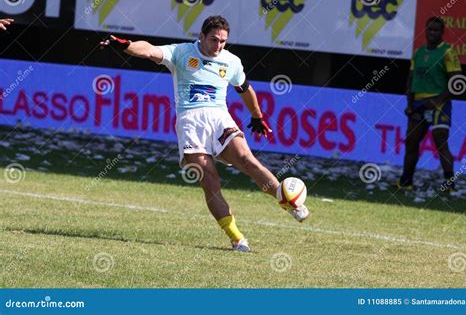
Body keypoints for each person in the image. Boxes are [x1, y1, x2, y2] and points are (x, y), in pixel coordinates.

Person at [100, 15, 310, 252]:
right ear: (201, 36)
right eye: (214, 39)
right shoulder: (181, 52)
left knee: (247, 160)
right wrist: (125, 45)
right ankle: (237, 238)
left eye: (223, 41)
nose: (219, 45)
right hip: (190, 122)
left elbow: (245, 88)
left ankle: (289, 203)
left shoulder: (231, 61)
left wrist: (258, 116)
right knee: (210, 182)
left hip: (220, 118)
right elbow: (149, 51)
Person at [398, 17, 462, 193]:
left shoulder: (448, 52)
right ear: (425, 30)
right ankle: (405, 182)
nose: (432, 33)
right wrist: (410, 104)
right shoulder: (418, 53)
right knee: (411, 143)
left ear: (442, 33)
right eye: (430, 29)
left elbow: (457, 81)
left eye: (436, 30)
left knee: (441, 140)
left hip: (439, 103)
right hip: (418, 104)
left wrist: (439, 100)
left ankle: (449, 184)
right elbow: (410, 80)